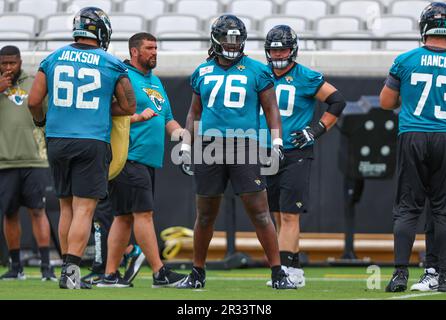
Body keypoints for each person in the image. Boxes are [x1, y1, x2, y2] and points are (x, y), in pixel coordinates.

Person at [177, 14, 296, 290]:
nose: (232, 44)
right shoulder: (202, 71)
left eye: (237, 39)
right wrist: (185, 145)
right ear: (216, 39)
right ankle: (197, 273)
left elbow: (271, 109)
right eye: (228, 39)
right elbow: (194, 112)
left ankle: (278, 272)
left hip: (245, 145)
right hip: (210, 146)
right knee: (205, 213)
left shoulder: (256, 70)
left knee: (260, 211)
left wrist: (277, 143)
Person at [28, 7, 136, 289]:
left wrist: (42, 122)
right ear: (101, 31)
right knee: (84, 209)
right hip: (91, 140)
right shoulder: (110, 62)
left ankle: (67, 269)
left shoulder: (53, 58)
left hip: (57, 139)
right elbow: (129, 105)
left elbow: (33, 101)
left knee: (65, 207)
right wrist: (101, 108)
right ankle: (73, 274)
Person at [97, 32, 185, 288]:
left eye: (156, 47)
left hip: (147, 160)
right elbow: (109, 112)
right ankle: (159, 272)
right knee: (143, 214)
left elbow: (167, 118)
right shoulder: (121, 76)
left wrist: (183, 137)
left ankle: (110, 275)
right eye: (149, 48)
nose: (154, 52)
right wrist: (137, 118)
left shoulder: (155, 81)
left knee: (123, 217)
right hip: (129, 155)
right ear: (134, 51)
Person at [260, 25, 346, 288]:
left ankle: (285, 270)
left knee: (289, 215)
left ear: (293, 49)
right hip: (267, 150)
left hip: (295, 151)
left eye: (283, 49)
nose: (278, 54)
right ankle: (292, 268)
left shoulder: (306, 76)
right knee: (275, 214)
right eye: (274, 49)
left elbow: (337, 101)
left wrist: (317, 129)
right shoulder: (260, 75)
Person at [380, 2, 446, 293]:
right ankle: (443, 275)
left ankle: (400, 274)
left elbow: (386, 102)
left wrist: (406, 100)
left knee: (408, 209)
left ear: (424, 28)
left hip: (413, 136)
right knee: (443, 210)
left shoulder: (406, 59)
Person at [0, 45, 56, 281]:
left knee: (38, 211)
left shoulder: (34, 81)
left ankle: (46, 267)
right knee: (10, 214)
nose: (9, 67)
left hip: (35, 158)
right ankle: (15, 267)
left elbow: (46, 113)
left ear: (20, 62)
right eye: (4, 63)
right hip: (4, 161)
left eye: (13, 62)